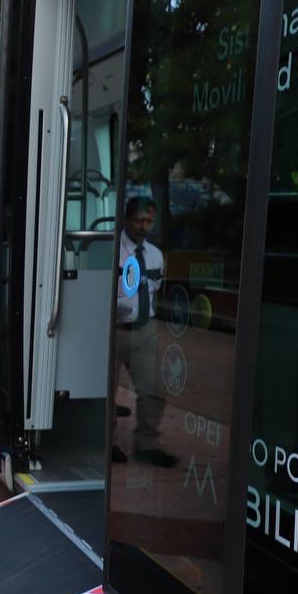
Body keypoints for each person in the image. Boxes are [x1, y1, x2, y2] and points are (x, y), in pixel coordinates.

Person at [113, 196, 176, 467]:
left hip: (144, 331)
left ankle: (147, 445)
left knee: (153, 392)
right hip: (112, 331)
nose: (144, 226)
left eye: (149, 221)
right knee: (104, 393)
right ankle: (105, 443)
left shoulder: (155, 255)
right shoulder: (112, 250)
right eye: (139, 220)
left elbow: (154, 289)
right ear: (127, 218)